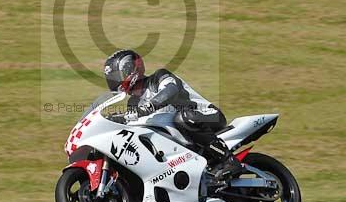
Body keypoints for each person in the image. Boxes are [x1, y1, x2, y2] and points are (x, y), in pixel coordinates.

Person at [103, 49, 242, 179]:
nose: (115, 82)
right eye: (111, 79)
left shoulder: (159, 77)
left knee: (183, 118)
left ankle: (229, 160)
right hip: (180, 138)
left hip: (207, 116)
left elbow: (171, 89)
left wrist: (149, 106)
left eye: (116, 76)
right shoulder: (133, 103)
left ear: (130, 69)